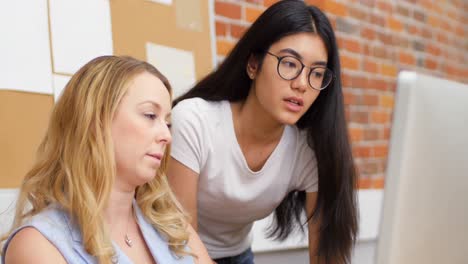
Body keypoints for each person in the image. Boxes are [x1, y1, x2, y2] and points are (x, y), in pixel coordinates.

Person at [167, 1, 358, 263]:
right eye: (290, 63)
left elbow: (327, 255)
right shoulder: (194, 121)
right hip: (173, 252)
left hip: (239, 256)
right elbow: (182, 244)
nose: (302, 84)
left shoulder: (309, 151)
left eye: (317, 73)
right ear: (253, 64)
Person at [1, 56, 211, 264]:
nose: (167, 136)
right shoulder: (36, 245)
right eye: (149, 115)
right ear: (94, 122)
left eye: (167, 123)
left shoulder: (171, 225)